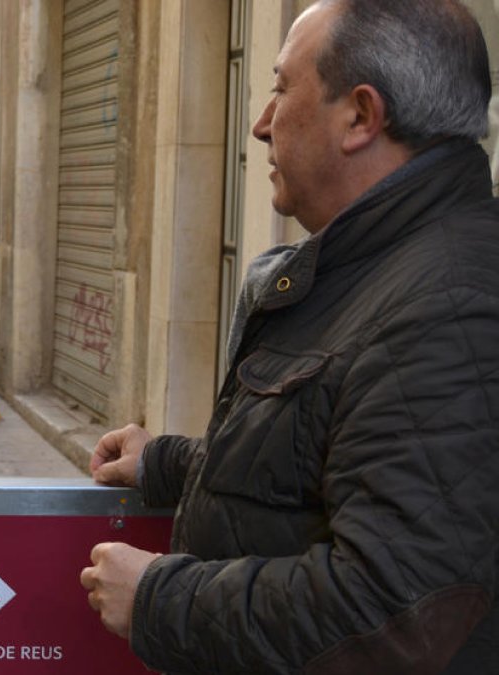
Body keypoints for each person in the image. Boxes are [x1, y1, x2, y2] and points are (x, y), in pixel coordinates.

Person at [80, 1, 499, 672]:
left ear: (360, 115)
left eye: (279, 87)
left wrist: (162, 599)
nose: (259, 123)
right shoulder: (383, 266)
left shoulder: (448, 307)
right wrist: (172, 463)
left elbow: (389, 611)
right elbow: (329, 466)